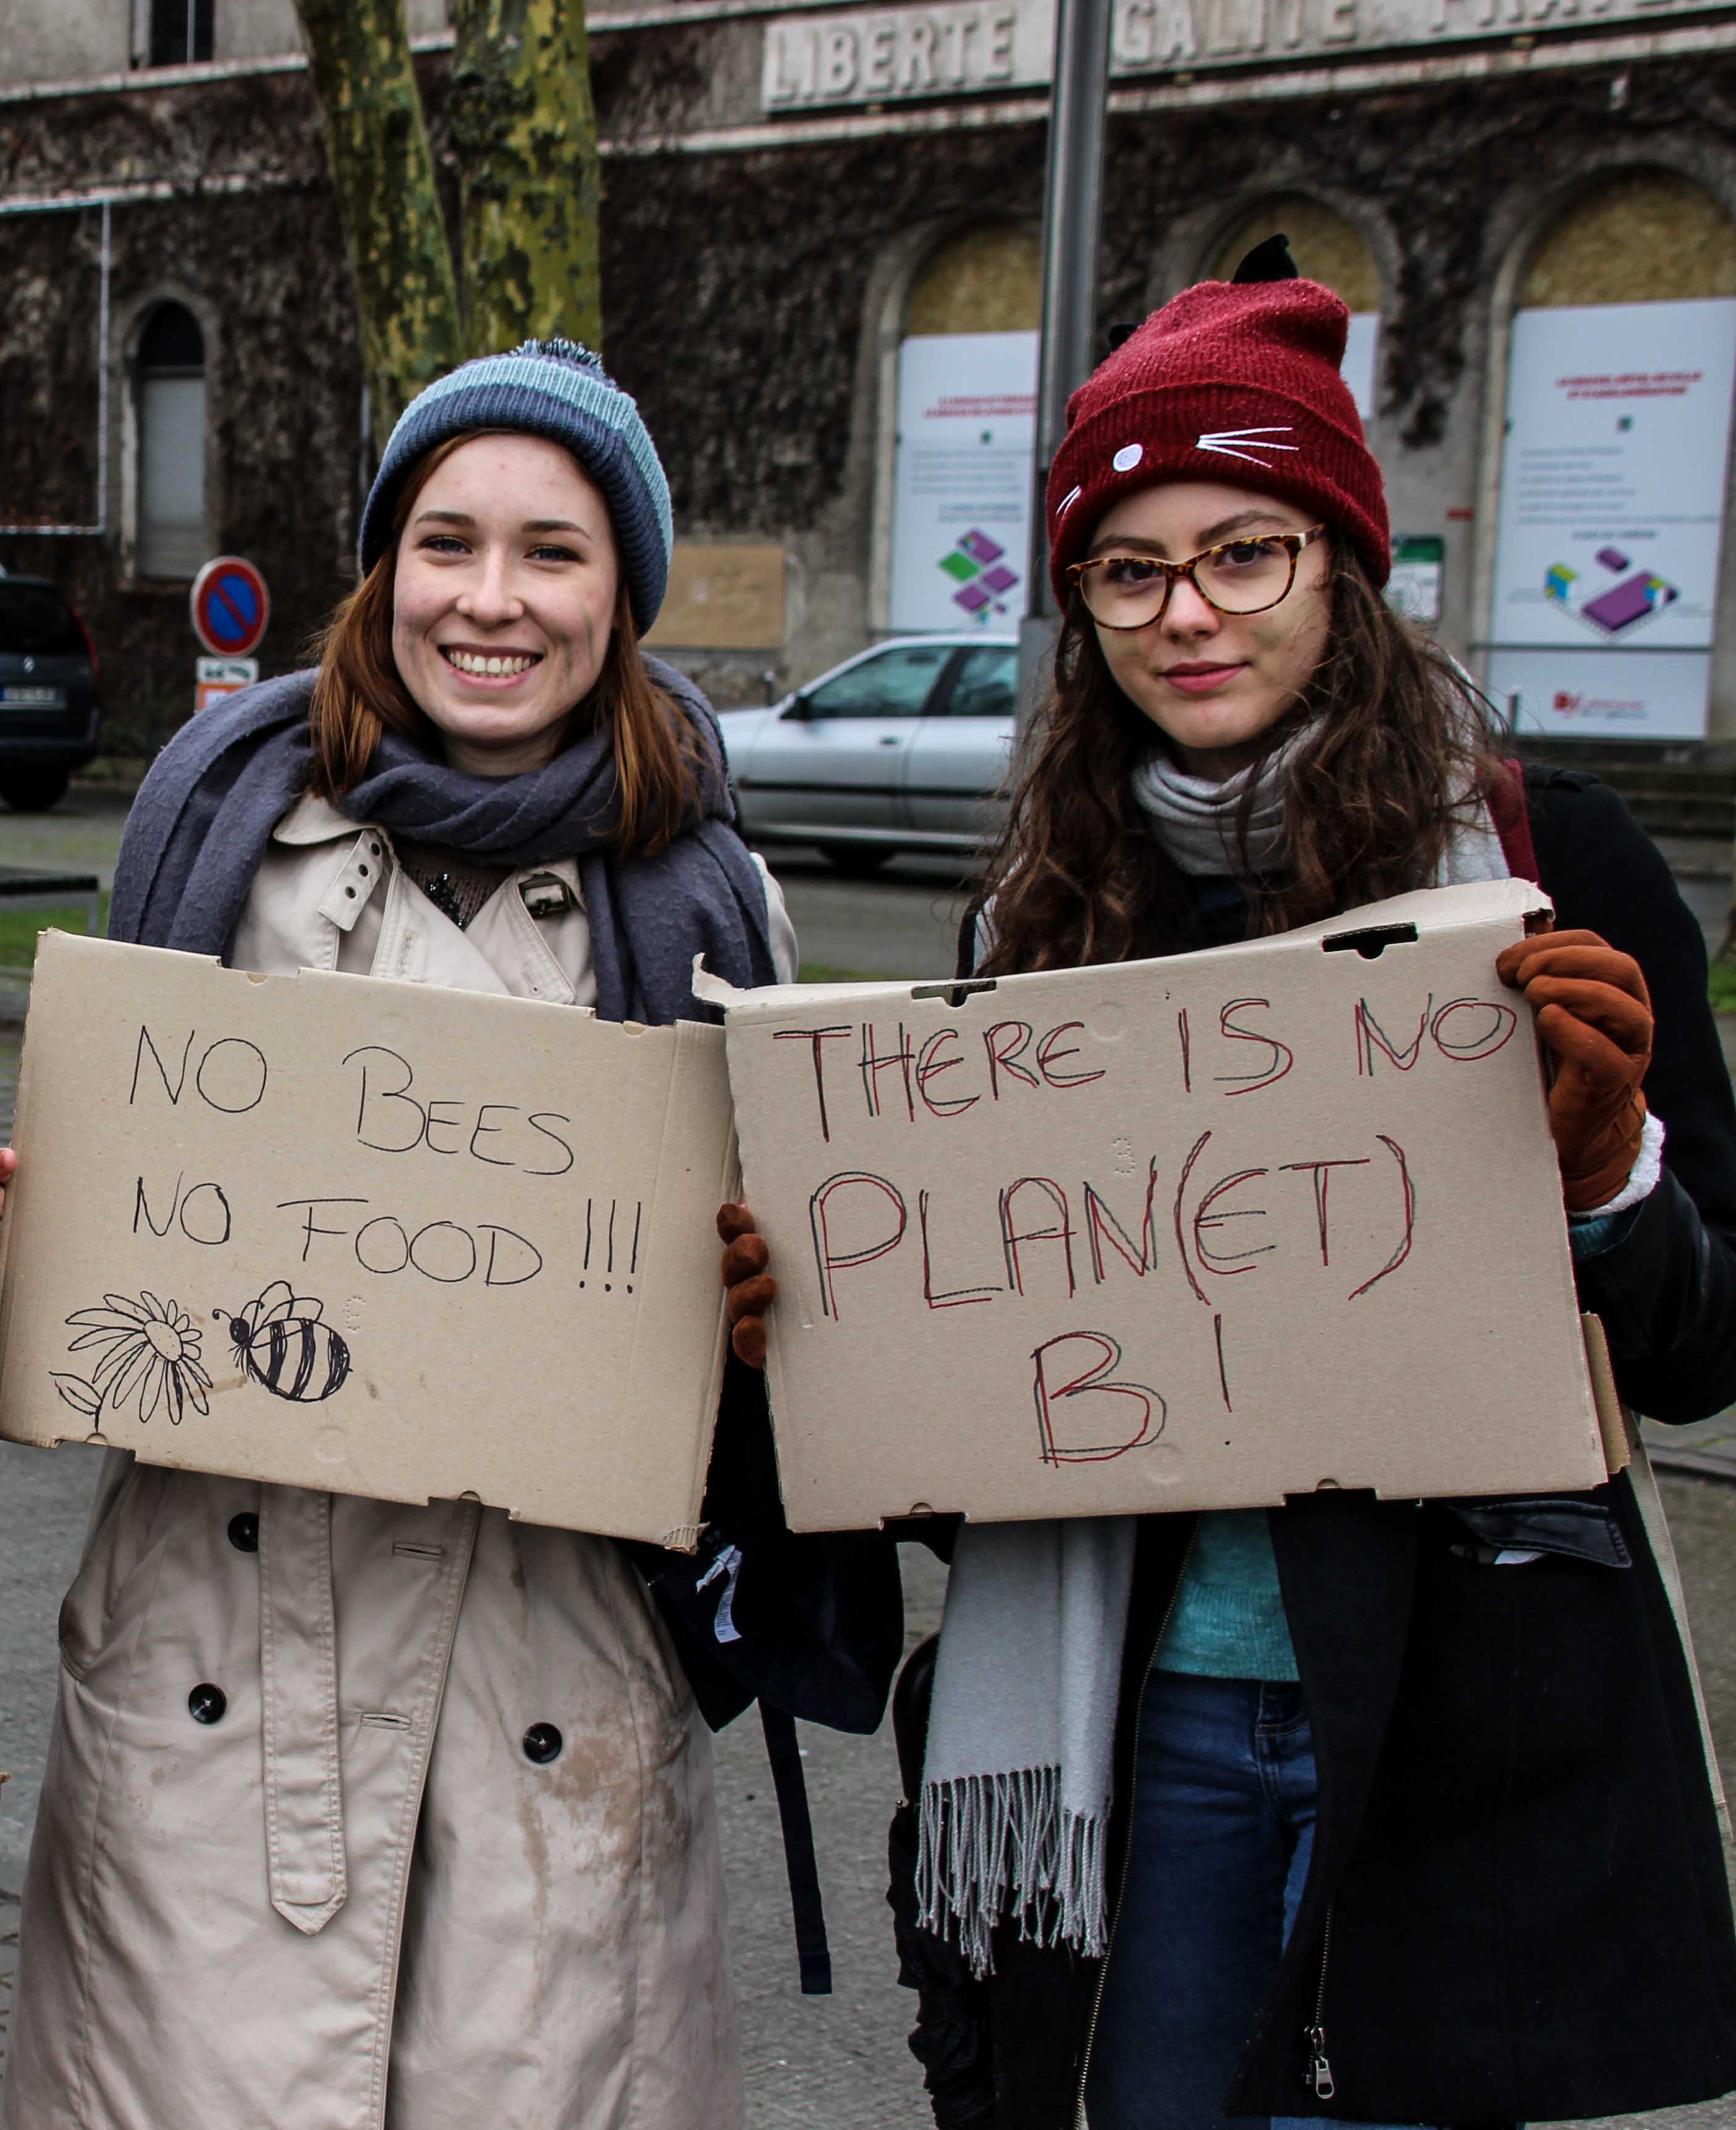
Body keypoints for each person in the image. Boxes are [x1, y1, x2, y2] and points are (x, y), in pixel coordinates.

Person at [720, 242, 1736, 2128]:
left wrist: (1611, 1177)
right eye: (1129, 567)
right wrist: (837, 1340)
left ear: (1340, 568)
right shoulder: (1029, 929)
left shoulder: (1555, 863)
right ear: (1082, 606)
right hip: (1139, 1726)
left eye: (1244, 551)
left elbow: (1706, 1346)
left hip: (1465, 1718)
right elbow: (988, 1448)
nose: (1188, 613)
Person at [0, 341, 794, 2128]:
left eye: (554, 551)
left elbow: (782, 1376)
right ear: (383, 566)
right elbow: (111, 1283)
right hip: (214, 1671)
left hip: (557, 1689)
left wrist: (767, 1321)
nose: (490, 600)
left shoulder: (709, 899)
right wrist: (26, 1249)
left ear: (626, 592)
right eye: (446, 542)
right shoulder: (216, 831)